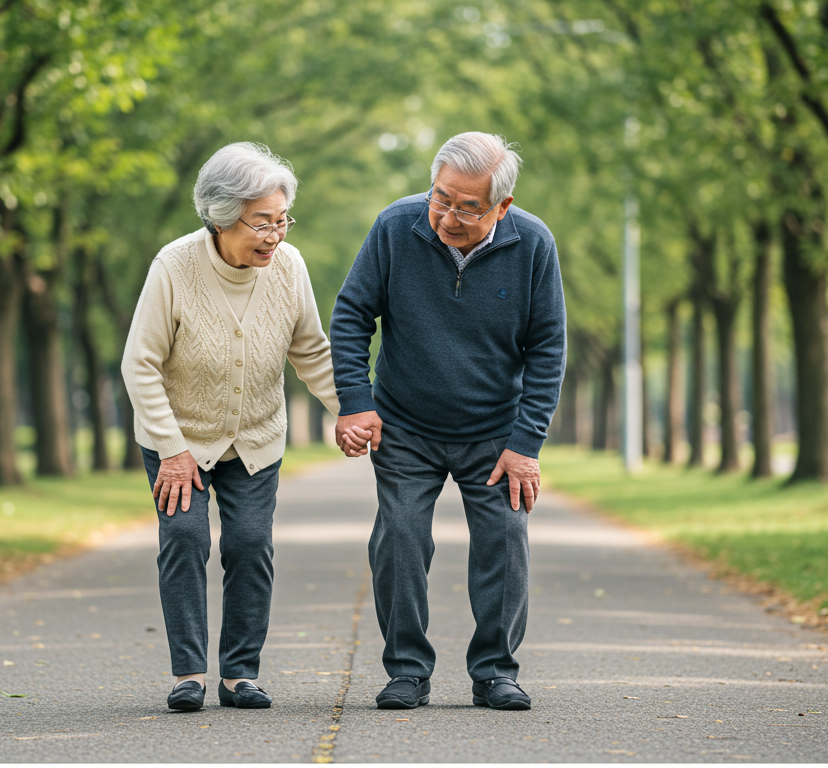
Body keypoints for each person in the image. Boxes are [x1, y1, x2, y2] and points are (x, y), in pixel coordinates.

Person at [330, 132, 566, 711]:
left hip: (495, 431)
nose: (448, 217)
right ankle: (407, 669)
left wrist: (526, 443)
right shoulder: (396, 226)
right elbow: (352, 313)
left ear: (501, 207)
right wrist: (357, 400)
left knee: (506, 539)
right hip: (406, 426)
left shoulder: (533, 243)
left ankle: (494, 671)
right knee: (401, 537)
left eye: (467, 207)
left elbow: (548, 348)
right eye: (441, 198)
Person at [121, 142, 340, 712]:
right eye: (262, 222)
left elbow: (312, 351)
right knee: (187, 539)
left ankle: (240, 673)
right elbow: (139, 364)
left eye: (282, 220)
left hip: (255, 436)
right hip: (178, 438)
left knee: (249, 544)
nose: (275, 235)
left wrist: (352, 410)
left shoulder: (290, 268)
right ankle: (189, 672)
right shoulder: (174, 266)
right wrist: (172, 450)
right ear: (221, 217)